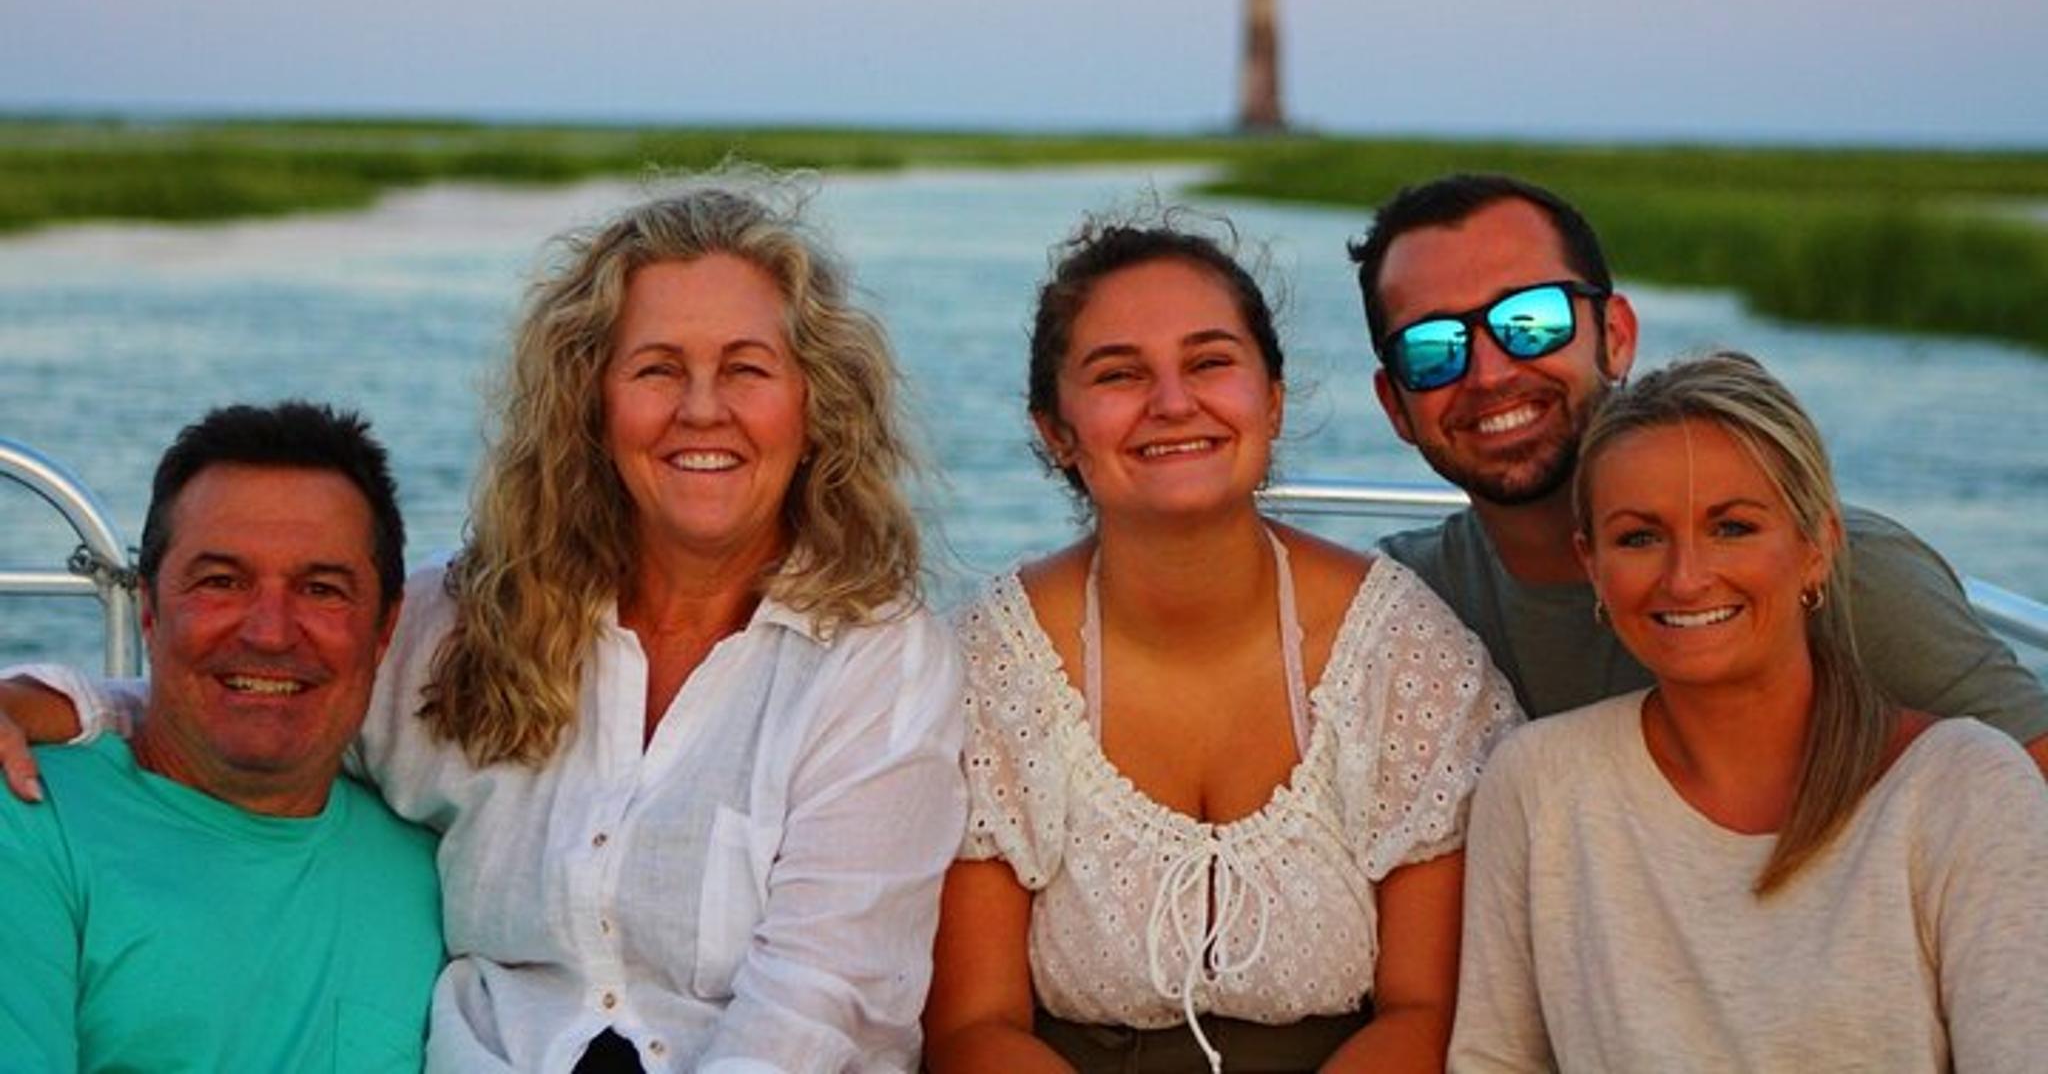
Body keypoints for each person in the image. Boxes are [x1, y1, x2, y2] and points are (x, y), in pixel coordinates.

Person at [3, 180, 967, 1072]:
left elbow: (814, 1001)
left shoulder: (877, 659)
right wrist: (60, 699)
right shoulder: (466, 619)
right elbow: (278, 682)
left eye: (746, 368)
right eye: (656, 367)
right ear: (591, 402)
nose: (700, 408)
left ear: (815, 404)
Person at [923, 212, 1520, 1074]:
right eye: (1119, 373)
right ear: (1057, 431)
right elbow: (973, 1029)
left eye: (1209, 362)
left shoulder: (1399, 651)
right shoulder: (998, 662)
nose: (1172, 401)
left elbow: (1429, 1012)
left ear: (1271, 401)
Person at [1448, 351, 2048, 1071]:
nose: (1687, 576)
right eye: (1640, 536)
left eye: (1732, 526)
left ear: (1817, 547)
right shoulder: (1538, 783)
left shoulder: (1967, 790)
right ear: (1592, 563)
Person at [1348, 172, 2048, 769]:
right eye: (1432, 348)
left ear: (1616, 336)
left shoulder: (1840, 575)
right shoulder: (1400, 607)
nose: (1491, 370)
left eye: (1533, 320)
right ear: (1395, 404)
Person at [0, 402, 444, 1069]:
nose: (269, 630)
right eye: (222, 582)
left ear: (385, 628)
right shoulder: (29, 820)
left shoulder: (436, 869)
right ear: (148, 609)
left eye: (321, 588)